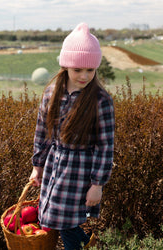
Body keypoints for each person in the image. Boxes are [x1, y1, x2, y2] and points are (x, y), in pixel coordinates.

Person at [29, 22, 115, 250]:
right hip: (55, 165)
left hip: (80, 170)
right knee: (56, 218)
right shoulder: (51, 93)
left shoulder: (100, 100)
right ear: (66, 66)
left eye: (90, 70)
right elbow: (43, 132)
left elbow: (105, 146)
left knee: (65, 221)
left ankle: (82, 245)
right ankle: (88, 244)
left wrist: (98, 183)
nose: (84, 76)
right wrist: (37, 165)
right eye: (78, 70)